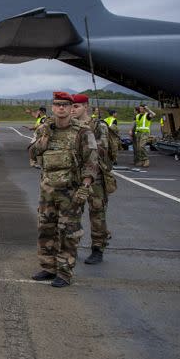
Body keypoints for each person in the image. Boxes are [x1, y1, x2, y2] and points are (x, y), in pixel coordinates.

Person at [29, 92, 98, 288]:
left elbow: (91, 162)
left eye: (65, 105)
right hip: (47, 190)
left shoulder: (83, 132)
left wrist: (85, 186)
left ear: (70, 108)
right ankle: (48, 267)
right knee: (46, 229)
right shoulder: (44, 129)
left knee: (69, 233)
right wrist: (43, 139)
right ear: (52, 107)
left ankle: (64, 272)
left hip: (71, 192)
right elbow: (32, 153)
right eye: (57, 105)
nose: (61, 108)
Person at [71, 94, 112, 264]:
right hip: (74, 175)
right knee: (73, 212)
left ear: (85, 107)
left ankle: (97, 248)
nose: (72, 110)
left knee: (97, 213)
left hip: (95, 176)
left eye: (76, 107)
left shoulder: (98, 125)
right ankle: (71, 247)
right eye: (71, 107)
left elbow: (103, 149)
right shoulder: (71, 126)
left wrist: (87, 145)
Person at [131, 103, 156, 167]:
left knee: (142, 146)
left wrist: (148, 109)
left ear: (144, 109)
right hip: (138, 133)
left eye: (141, 108)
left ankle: (146, 160)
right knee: (138, 148)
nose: (140, 109)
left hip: (144, 133)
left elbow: (154, 114)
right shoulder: (137, 116)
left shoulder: (147, 115)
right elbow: (136, 125)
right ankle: (141, 161)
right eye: (140, 108)